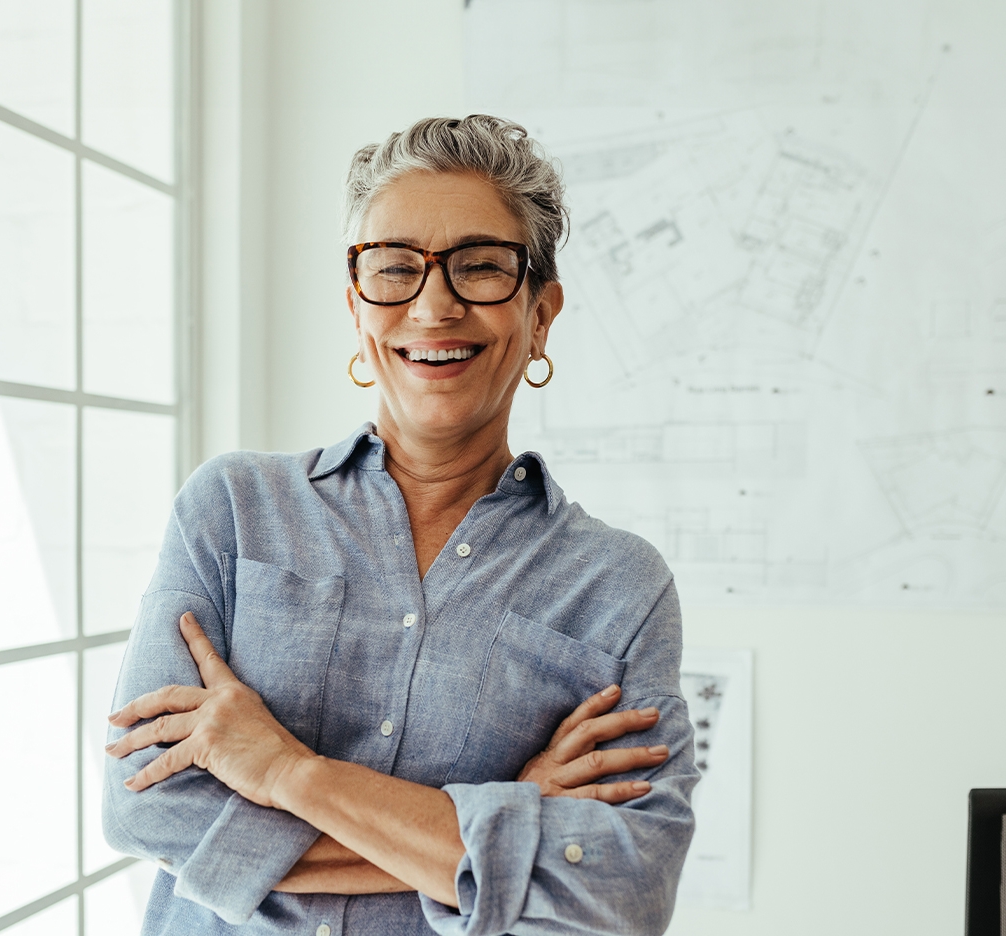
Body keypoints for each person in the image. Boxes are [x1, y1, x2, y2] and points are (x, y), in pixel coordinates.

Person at [102, 115, 699, 936]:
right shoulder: (233, 510)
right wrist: (510, 826)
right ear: (357, 309)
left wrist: (285, 772)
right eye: (394, 270)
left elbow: (619, 895)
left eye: (481, 267)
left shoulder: (618, 588)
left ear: (540, 315)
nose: (435, 304)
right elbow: (148, 810)